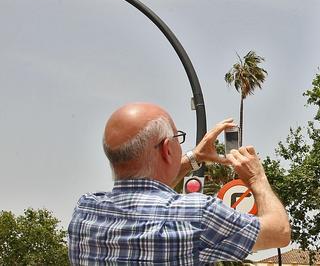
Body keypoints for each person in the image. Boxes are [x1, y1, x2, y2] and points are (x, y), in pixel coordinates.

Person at [67, 102, 290, 263]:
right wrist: (256, 178)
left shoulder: (85, 211)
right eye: (177, 138)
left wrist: (195, 157)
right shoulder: (197, 214)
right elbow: (279, 232)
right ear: (167, 149)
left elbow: (146, 191)